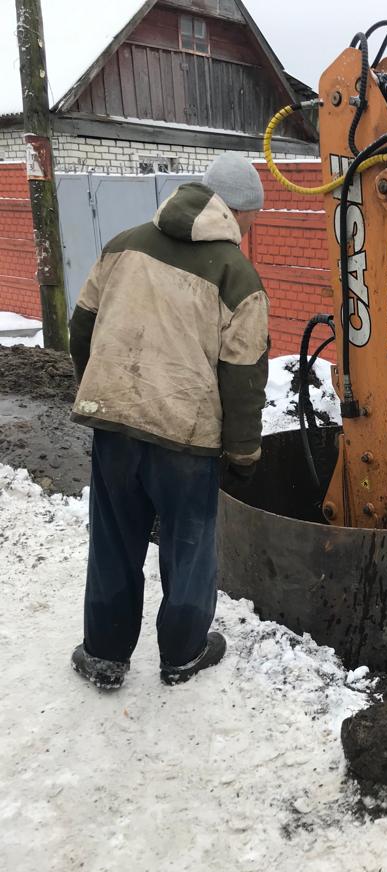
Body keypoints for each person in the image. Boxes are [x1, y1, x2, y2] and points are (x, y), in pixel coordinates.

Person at [68, 153, 269, 690]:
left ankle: (105, 655)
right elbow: (242, 376)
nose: (251, 227)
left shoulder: (123, 243)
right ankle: (182, 654)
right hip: (185, 440)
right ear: (238, 211)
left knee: (113, 540)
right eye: (252, 216)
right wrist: (243, 452)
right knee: (188, 547)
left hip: (114, 428)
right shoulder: (237, 274)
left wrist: (106, 391)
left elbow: (81, 327)